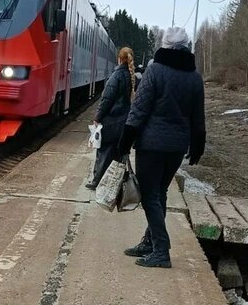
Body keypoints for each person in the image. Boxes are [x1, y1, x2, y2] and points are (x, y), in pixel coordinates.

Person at [117, 27, 205, 268]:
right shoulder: (195, 78)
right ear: (186, 46)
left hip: (152, 145)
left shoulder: (155, 71)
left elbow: (139, 110)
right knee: (160, 193)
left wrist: (124, 142)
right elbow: (198, 118)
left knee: (150, 196)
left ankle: (161, 250)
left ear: (165, 45)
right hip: (177, 147)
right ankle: (150, 242)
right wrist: (198, 145)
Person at [86, 47, 136, 190]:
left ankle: (97, 181)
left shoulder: (117, 76)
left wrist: (97, 117)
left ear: (119, 59)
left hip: (112, 120)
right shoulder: (131, 76)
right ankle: (112, 183)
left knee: (104, 151)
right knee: (117, 153)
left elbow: (107, 99)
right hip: (125, 121)